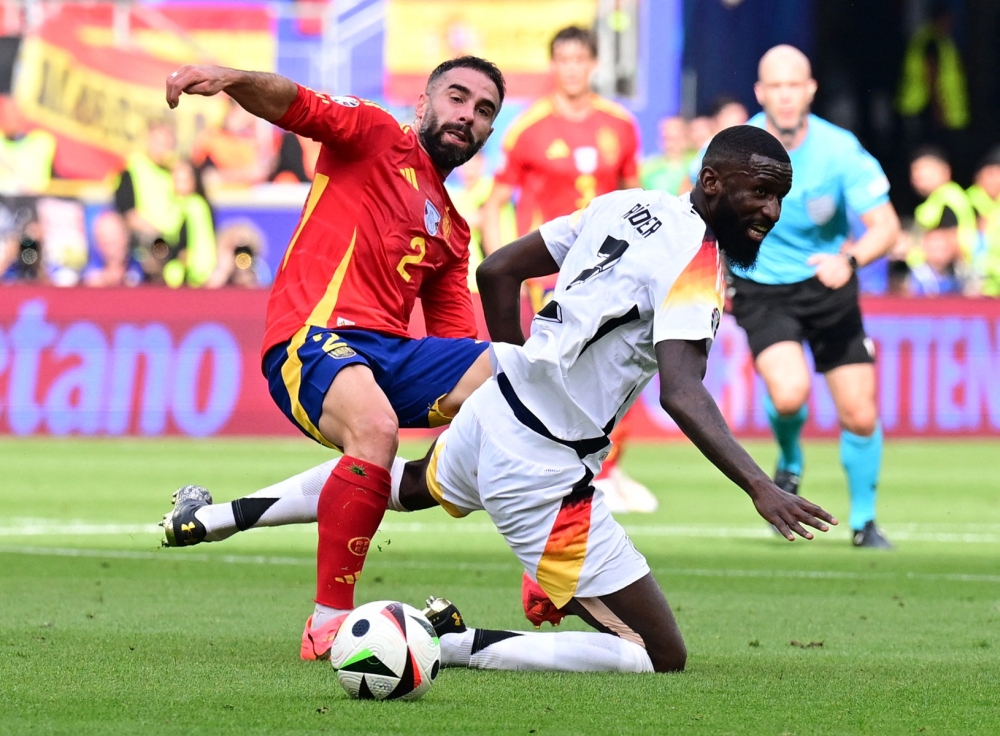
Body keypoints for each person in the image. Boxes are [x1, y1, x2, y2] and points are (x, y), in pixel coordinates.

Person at [402, 125, 834, 673]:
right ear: (712, 182)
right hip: (548, 466)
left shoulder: (628, 204)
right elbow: (681, 392)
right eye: (761, 193)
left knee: (409, 486)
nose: (772, 211)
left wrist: (513, 377)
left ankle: (257, 518)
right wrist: (759, 486)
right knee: (661, 655)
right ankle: (445, 641)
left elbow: (496, 270)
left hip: (507, 418)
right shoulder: (696, 262)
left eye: (780, 198)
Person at [162, 55, 506, 660]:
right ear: (423, 104)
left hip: (387, 356)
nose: (467, 116)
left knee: (510, 379)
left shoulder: (452, 231)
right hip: (311, 334)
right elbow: (295, 103)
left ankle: (552, 562)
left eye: (484, 111)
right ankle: (327, 624)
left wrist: (499, 432)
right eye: (457, 98)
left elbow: (457, 347)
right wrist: (232, 77)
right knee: (375, 430)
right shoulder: (373, 134)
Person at [692, 45, 901, 548]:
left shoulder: (840, 149)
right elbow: (700, 215)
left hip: (828, 285)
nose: (785, 97)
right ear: (761, 93)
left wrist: (848, 259)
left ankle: (865, 523)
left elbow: (886, 226)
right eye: (775, 87)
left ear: (810, 90)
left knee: (860, 413)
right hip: (762, 289)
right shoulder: (735, 149)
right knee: (789, 393)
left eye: (795, 86)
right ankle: (788, 460)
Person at [480, 24, 653, 514]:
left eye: (581, 59)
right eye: (564, 60)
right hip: (550, 276)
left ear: (593, 64)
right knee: (550, 372)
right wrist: (508, 265)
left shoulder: (620, 125)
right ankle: (538, 463)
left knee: (620, 365)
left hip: (613, 271)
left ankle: (606, 470)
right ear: (554, 65)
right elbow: (494, 204)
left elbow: (639, 199)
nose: (572, 68)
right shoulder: (527, 127)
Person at [114, 120, 182, 283]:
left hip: (177, 237)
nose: (163, 147)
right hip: (150, 239)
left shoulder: (178, 171)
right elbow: (129, 214)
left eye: (167, 142)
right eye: (158, 141)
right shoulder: (132, 170)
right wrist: (159, 233)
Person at [82, 210, 144, 287]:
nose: (108, 240)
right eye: (103, 235)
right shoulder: (89, 265)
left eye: (114, 234)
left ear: (126, 235)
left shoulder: (140, 261)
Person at [639, 116, 692, 195]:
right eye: (665, 138)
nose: (669, 145)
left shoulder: (696, 163)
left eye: (674, 139)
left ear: (686, 139)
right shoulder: (649, 167)